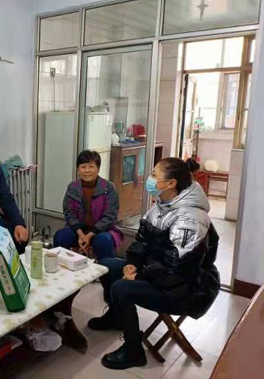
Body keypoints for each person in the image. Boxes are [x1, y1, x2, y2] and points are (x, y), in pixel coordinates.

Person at [88, 157, 220, 370]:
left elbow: (178, 268)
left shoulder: (190, 218)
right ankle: (116, 317)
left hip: (187, 289)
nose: (149, 179)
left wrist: (139, 276)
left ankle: (133, 351)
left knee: (121, 288)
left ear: (171, 183)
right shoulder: (161, 205)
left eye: (154, 175)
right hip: (161, 272)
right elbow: (143, 241)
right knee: (106, 266)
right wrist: (133, 262)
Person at [54, 150, 123, 260]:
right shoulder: (72, 187)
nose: (87, 171)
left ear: (98, 169)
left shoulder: (109, 188)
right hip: (78, 229)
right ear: (78, 169)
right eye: (83, 167)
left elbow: (110, 216)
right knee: (61, 236)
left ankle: (107, 269)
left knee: (104, 241)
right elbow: (69, 213)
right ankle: (61, 266)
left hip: (102, 230)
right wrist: (81, 234)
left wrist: (90, 235)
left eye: (91, 167)